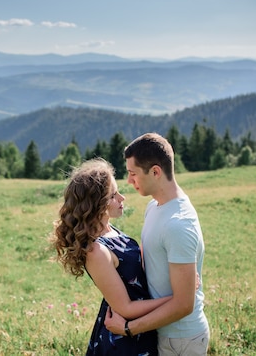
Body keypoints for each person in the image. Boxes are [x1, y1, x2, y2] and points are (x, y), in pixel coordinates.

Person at [104, 133, 210, 356]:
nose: (129, 180)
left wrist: (128, 329)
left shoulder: (179, 224)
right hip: (159, 329)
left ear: (155, 171)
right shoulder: (155, 207)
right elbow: (150, 260)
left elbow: (184, 305)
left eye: (133, 174)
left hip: (182, 339)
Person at [52, 158, 171, 355]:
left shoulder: (109, 230)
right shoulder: (96, 251)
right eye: (113, 196)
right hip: (124, 339)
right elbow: (126, 307)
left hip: (143, 324)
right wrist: (175, 299)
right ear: (96, 205)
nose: (122, 198)